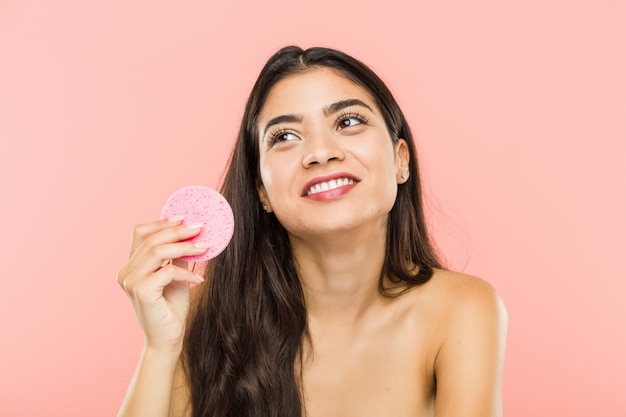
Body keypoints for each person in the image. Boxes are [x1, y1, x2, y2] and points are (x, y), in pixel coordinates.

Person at [116, 45, 508, 417]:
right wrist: (160, 347)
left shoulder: (461, 309)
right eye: (285, 136)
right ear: (261, 191)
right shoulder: (211, 316)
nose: (320, 152)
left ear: (400, 160)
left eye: (348, 121)